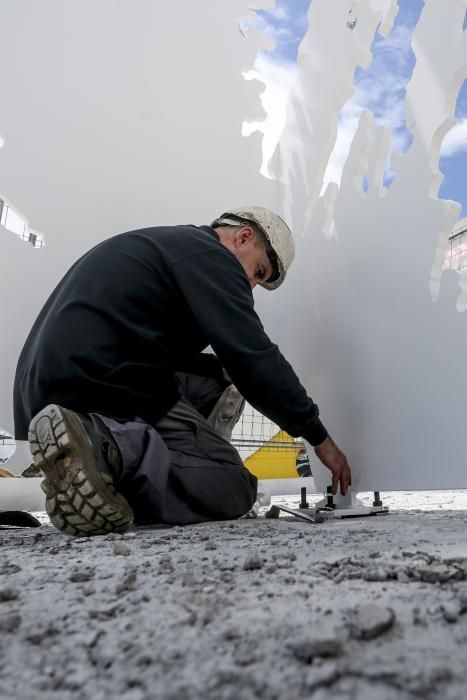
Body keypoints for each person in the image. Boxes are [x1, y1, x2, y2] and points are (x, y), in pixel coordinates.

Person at [14, 207, 352, 536]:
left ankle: (100, 461)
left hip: (51, 388)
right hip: (100, 385)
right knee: (235, 487)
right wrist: (318, 436)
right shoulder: (212, 257)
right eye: (259, 272)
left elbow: (205, 362)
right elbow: (251, 356)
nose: (251, 285)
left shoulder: (172, 246)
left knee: (220, 379)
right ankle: (106, 450)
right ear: (244, 237)